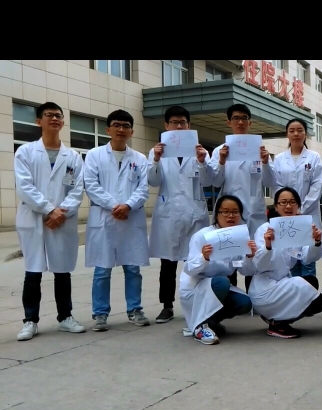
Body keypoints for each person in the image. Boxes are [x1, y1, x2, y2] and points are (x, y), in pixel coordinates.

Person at [14, 102, 86, 341]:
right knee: (33, 271)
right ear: (38, 121)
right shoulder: (25, 152)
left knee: (62, 270)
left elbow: (76, 189)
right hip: (34, 219)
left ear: (63, 122)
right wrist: (48, 209)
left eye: (58, 116)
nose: (55, 119)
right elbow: (24, 186)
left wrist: (61, 212)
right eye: (49, 115)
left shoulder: (73, 157)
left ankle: (65, 317)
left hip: (62, 220)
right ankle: (30, 321)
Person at [83, 109, 150, 331]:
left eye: (126, 126)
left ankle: (135, 309)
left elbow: (143, 188)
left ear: (132, 131)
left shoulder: (140, 159)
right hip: (105, 218)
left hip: (131, 218)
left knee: (133, 268)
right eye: (117, 125)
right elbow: (91, 185)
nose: (121, 129)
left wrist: (128, 205)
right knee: (102, 270)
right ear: (108, 129)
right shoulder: (94, 155)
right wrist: (114, 205)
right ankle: (100, 314)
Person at [147, 105, 214, 324]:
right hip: (169, 214)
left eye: (182, 122)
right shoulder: (157, 152)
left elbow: (209, 181)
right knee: (168, 264)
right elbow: (153, 181)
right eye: (174, 122)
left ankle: (196, 303)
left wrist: (202, 162)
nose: (178, 126)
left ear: (189, 125)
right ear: (166, 126)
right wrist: (156, 160)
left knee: (195, 262)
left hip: (195, 214)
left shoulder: (200, 152)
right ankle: (167, 306)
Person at [210, 104, 275, 293]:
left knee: (252, 254)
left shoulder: (260, 151)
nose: (240, 122)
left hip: (254, 211)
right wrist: (222, 162)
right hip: (229, 213)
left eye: (244, 118)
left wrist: (265, 163)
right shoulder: (219, 151)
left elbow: (270, 181)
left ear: (250, 122)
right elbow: (215, 181)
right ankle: (231, 298)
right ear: (229, 122)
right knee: (228, 256)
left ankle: (253, 297)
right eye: (236, 118)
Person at [249, 187, 322, 339]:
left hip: (283, 283)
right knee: (317, 301)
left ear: (298, 206)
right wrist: (268, 246)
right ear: (276, 207)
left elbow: (307, 257)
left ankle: (278, 320)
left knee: (311, 282)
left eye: (292, 202)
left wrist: (316, 242)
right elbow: (259, 265)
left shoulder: (300, 229)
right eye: (283, 202)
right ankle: (277, 321)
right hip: (264, 288)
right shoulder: (265, 230)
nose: (288, 206)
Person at [179, 195, 256, 345]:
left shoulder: (240, 238)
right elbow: (190, 269)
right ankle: (200, 326)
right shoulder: (202, 236)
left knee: (244, 303)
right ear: (217, 214)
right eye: (225, 212)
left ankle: (211, 322)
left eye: (235, 212)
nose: (230, 216)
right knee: (222, 283)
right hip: (196, 286)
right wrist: (204, 258)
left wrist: (249, 257)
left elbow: (245, 271)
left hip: (218, 286)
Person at [269, 118, 322, 278]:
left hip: (308, 213)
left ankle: (309, 291)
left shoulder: (314, 157)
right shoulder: (279, 159)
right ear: (287, 134)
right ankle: (293, 289)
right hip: (287, 215)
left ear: (305, 134)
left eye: (300, 130)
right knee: (291, 256)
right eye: (292, 130)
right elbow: (277, 185)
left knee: (308, 259)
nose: (296, 134)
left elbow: (317, 185)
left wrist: (301, 208)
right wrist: (287, 207)